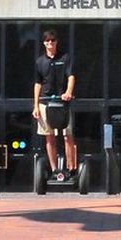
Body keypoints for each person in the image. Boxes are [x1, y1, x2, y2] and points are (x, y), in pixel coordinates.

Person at [32, 30, 77, 178]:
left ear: (56, 42)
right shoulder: (40, 62)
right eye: (47, 41)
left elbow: (71, 77)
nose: (50, 43)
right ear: (44, 43)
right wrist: (36, 105)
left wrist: (68, 92)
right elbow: (37, 84)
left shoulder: (65, 58)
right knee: (49, 136)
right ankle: (54, 169)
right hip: (45, 102)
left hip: (62, 102)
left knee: (67, 135)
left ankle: (71, 168)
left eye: (52, 40)